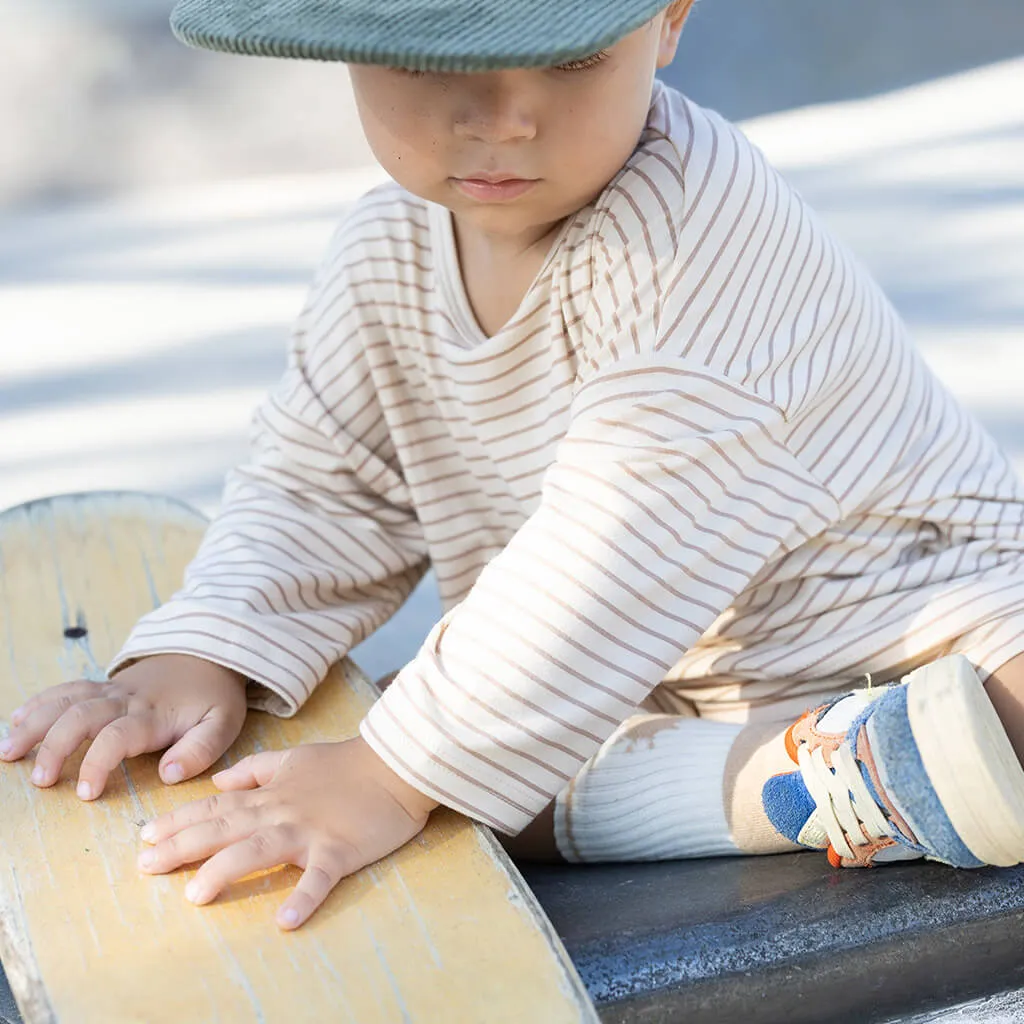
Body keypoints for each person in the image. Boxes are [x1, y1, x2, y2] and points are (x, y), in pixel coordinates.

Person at [4, 0, 1024, 931]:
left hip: (922, 621)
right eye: (432, 59)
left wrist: (391, 773)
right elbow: (324, 486)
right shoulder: (386, 253)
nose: (500, 116)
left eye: (570, 55)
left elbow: (616, 549)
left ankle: (868, 759)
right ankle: (831, 776)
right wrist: (209, 647)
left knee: (431, 763)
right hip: (632, 682)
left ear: (667, 22)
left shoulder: (698, 239)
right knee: (432, 752)